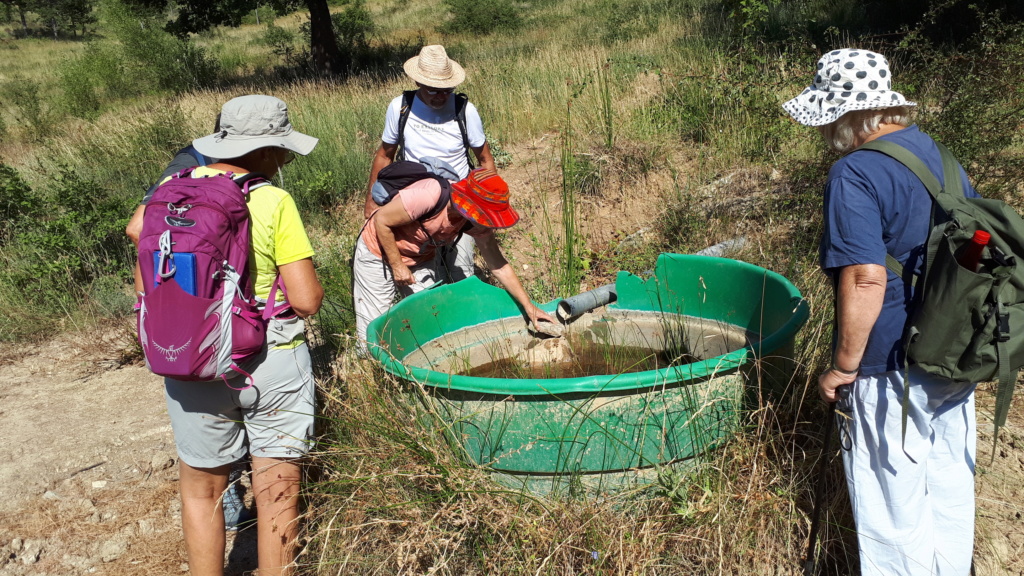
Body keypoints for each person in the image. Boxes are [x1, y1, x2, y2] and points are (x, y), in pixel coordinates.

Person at [783, 49, 978, 575]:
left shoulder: (855, 173)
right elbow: (976, 247)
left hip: (888, 361)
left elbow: (865, 276)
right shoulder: (940, 155)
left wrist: (844, 366)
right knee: (947, 484)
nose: (825, 132)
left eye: (828, 119)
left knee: (892, 507)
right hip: (953, 350)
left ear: (847, 114)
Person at [151, 95, 323, 576]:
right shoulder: (272, 199)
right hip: (269, 359)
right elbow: (307, 300)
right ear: (266, 150)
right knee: (276, 494)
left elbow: (137, 235)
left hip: (189, 357)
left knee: (202, 491)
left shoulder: (173, 189)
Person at [124, 119, 256, 532]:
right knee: (216, 389)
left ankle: (230, 487)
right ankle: (231, 490)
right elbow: (137, 227)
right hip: (204, 303)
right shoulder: (192, 164)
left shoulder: (193, 161)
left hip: (185, 308)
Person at [353, 167, 555, 347]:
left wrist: (529, 307)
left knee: (429, 317)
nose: (486, 222)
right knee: (375, 324)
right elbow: (382, 221)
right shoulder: (428, 196)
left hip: (419, 257)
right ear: (470, 205)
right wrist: (397, 265)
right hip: (377, 251)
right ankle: (372, 370)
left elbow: (498, 265)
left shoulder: (475, 221)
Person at [364, 44, 496, 283]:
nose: (441, 96)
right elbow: (385, 155)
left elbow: (485, 160)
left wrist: (488, 206)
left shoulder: (464, 110)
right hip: (416, 205)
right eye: (433, 90)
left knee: (462, 273)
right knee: (425, 275)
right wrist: (371, 203)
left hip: (459, 206)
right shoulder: (401, 107)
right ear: (418, 83)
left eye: (447, 89)